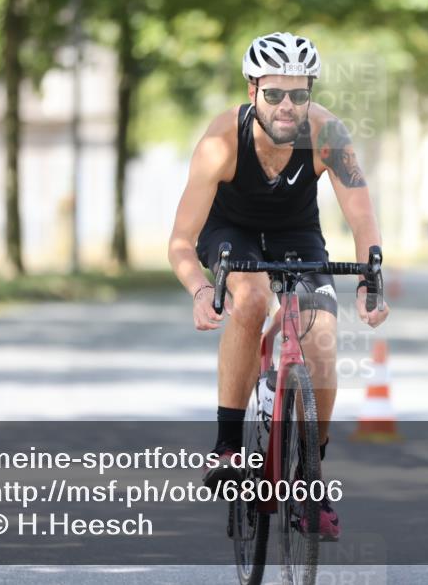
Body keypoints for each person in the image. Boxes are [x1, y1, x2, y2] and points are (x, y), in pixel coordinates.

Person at [167, 32, 390, 541]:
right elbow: (180, 241)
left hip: (296, 234)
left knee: (323, 339)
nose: (287, 106)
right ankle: (227, 446)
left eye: (298, 93)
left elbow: (363, 219)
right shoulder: (221, 142)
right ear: (253, 93)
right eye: (274, 94)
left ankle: (309, 477)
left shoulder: (328, 133)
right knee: (248, 299)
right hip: (231, 233)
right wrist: (202, 290)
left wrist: (369, 282)